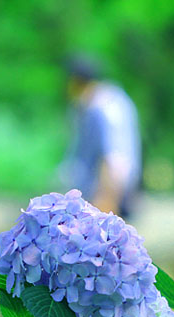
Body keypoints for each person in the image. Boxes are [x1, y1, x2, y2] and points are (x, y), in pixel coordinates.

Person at [60, 56, 142, 219]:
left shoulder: (104, 107)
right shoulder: (99, 102)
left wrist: (104, 207)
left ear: (76, 81)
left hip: (107, 194)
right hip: (98, 193)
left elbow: (114, 159)